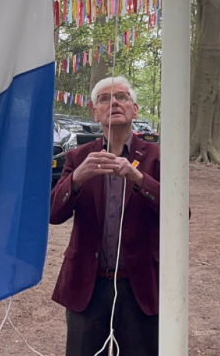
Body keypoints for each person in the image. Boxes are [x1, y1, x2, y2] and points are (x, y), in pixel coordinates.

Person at [50, 76, 160, 356]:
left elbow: (181, 213)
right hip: (88, 285)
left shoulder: (157, 157)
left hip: (140, 286)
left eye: (121, 97)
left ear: (134, 110)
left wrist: (139, 177)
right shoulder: (78, 157)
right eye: (104, 99)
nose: (113, 102)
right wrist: (76, 178)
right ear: (94, 111)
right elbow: (53, 213)